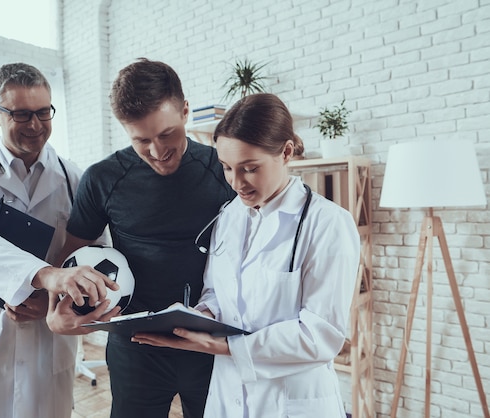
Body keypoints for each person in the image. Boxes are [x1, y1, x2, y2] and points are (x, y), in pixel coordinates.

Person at [132, 93, 361, 417]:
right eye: (227, 167)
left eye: (250, 168)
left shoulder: (328, 224)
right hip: (228, 394)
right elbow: (216, 292)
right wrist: (197, 317)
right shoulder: (228, 216)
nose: (237, 183)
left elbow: (320, 336)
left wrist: (223, 347)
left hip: (291, 400)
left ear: (286, 152)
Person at [48, 58, 236, 418]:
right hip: (136, 348)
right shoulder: (102, 179)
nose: (156, 150)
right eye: (141, 140)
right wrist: (54, 315)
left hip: (210, 344)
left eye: (166, 134)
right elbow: (70, 260)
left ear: (184, 111)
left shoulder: (222, 170)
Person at [0, 62, 119, 418]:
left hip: (47, 333)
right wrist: (47, 277)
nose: (35, 125)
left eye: (43, 112)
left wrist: (54, 297)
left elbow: (96, 256)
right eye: (21, 114)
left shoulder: (76, 180)